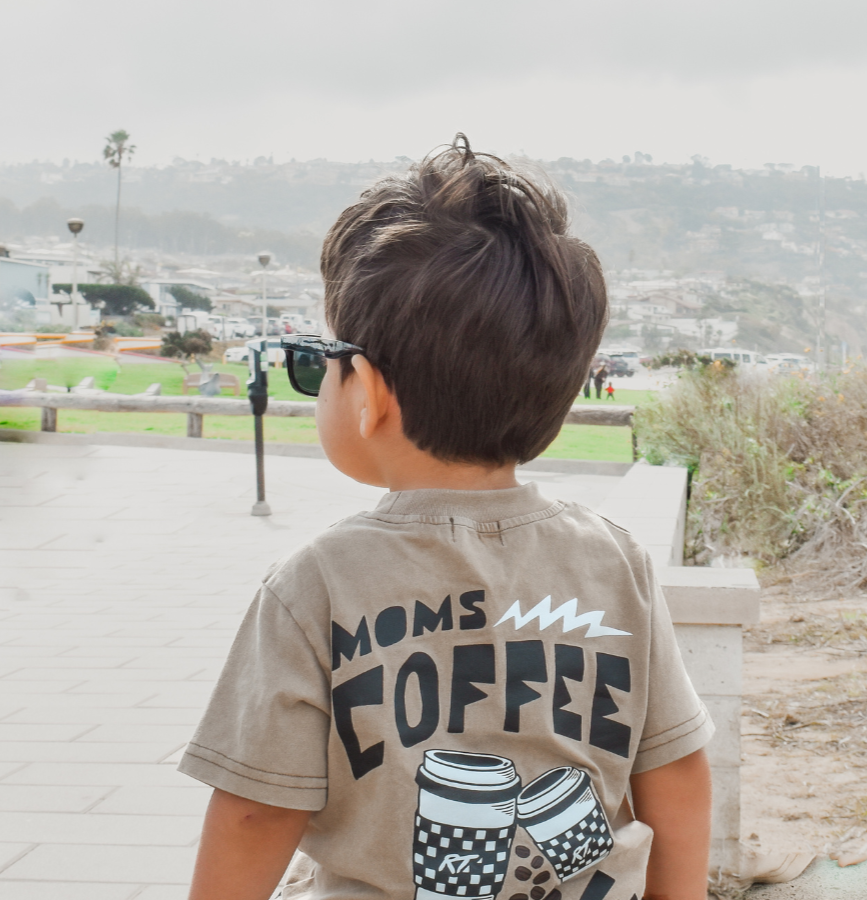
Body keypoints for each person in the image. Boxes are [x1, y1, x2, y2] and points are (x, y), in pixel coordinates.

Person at [178, 135, 713, 900]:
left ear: (367, 394)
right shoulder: (614, 561)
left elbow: (256, 812)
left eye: (321, 363)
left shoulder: (316, 586)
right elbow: (677, 770)